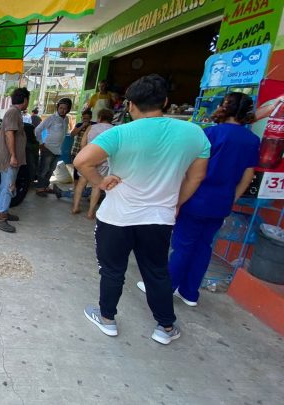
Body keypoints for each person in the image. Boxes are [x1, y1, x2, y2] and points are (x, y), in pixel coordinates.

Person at [74, 74, 210, 345]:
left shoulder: (121, 132)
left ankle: (107, 319)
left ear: (130, 104)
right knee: (157, 271)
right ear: (166, 102)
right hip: (159, 219)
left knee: (112, 270)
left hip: (116, 218)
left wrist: (101, 182)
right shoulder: (194, 133)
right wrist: (176, 202)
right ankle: (166, 327)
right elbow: (196, 177)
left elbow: (81, 161)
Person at [136, 93, 261, 306]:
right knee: (204, 247)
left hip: (197, 198)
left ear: (225, 108)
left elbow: (194, 171)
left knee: (182, 245)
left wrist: (178, 200)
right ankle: (190, 293)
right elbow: (248, 176)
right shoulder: (252, 140)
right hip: (222, 202)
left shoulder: (211, 133)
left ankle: (165, 289)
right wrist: (231, 198)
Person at [0, 87, 29, 233]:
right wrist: (13, 155)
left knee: (8, 186)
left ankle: (3, 211)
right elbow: (9, 134)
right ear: (25, 100)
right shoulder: (13, 112)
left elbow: (0, 131)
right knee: (8, 187)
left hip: (8, 156)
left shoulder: (13, 113)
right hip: (9, 158)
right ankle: (1, 219)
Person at [71, 108, 113, 219]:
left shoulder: (91, 127)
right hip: (104, 161)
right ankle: (90, 213)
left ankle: (75, 207)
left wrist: (86, 156)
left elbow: (82, 144)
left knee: (81, 183)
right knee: (96, 186)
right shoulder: (115, 129)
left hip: (89, 161)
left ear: (100, 118)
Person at [34, 97, 72, 195]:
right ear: (57, 108)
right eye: (61, 108)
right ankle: (40, 188)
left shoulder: (66, 119)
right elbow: (38, 130)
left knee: (51, 170)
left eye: (65, 108)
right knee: (44, 169)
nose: (63, 110)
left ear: (68, 109)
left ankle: (45, 186)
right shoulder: (51, 118)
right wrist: (41, 143)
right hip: (48, 148)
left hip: (58, 149)